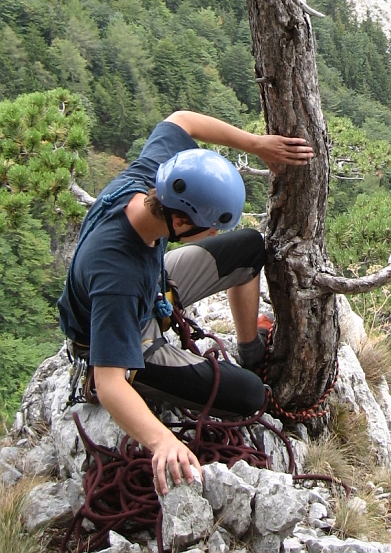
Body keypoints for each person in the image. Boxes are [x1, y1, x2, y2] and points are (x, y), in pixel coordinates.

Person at [58, 110, 314, 494]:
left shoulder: (151, 179)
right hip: (123, 332)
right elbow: (108, 383)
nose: (211, 233)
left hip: (152, 281)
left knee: (249, 248)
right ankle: (154, 378)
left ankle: (250, 349)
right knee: (248, 396)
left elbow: (182, 120)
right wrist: (162, 442)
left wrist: (257, 144)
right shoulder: (117, 276)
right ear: (179, 222)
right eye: (208, 226)